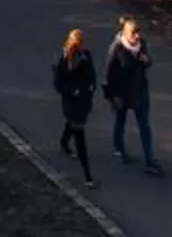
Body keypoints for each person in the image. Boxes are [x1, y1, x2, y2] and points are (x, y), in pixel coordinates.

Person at [104, 17, 159, 174]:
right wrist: (112, 96)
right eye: (133, 33)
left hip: (140, 92)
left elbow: (148, 62)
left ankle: (150, 159)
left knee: (145, 126)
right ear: (125, 33)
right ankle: (119, 149)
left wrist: (146, 60)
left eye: (138, 32)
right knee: (120, 121)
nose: (137, 36)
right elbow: (108, 75)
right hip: (122, 94)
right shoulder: (116, 49)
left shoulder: (142, 45)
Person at [52, 29, 100, 186]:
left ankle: (64, 142)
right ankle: (88, 175)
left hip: (84, 100)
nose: (80, 47)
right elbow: (58, 84)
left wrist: (93, 85)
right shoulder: (63, 60)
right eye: (77, 44)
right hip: (72, 102)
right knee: (80, 136)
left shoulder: (86, 55)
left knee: (72, 125)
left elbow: (92, 73)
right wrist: (72, 91)